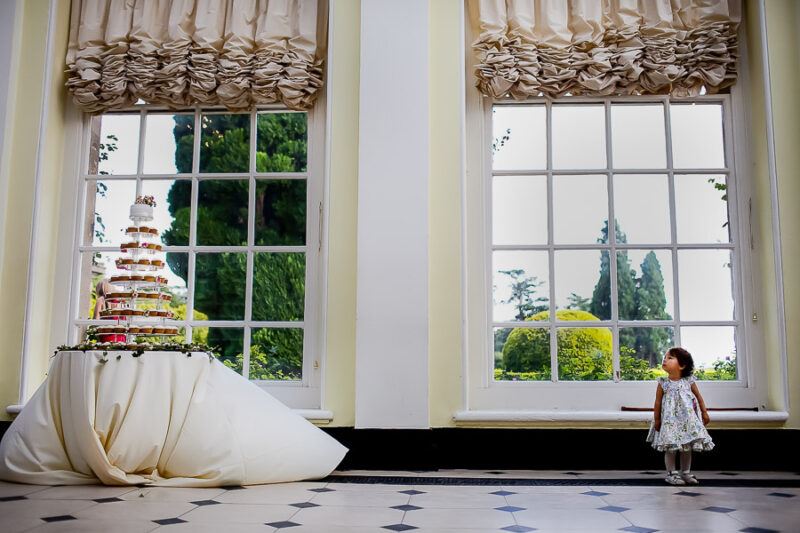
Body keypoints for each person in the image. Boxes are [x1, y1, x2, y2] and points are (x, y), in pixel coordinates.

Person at [646, 346, 714, 486]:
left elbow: (699, 397)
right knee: (671, 448)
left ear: (682, 365)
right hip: (670, 422)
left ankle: (685, 472)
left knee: (687, 447)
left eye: (670, 358)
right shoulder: (663, 383)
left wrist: (704, 412)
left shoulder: (688, 381)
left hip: (687, 422)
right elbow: (657, 402)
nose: (665, 360)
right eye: (664, 357)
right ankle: (671, 473)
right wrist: (657, 419)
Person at [93, 278, 126, 343]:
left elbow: (96, 320)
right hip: (121, 337)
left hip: (107, 337)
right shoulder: (120, 302)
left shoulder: (101, 300)